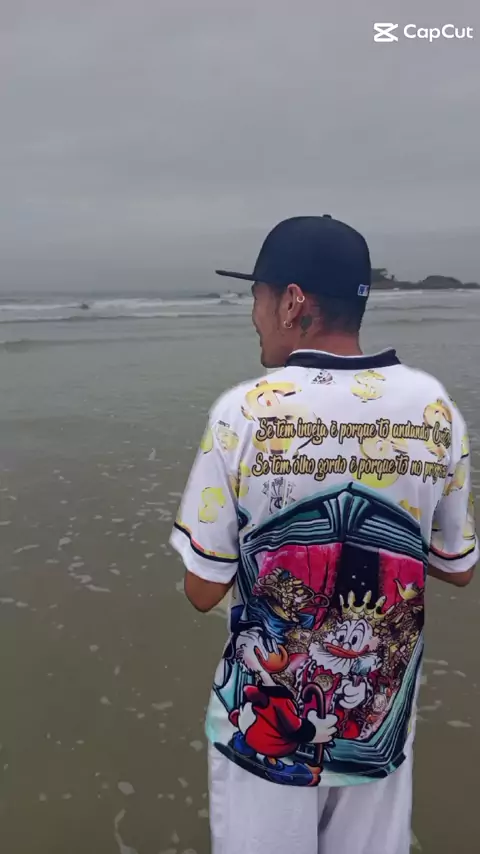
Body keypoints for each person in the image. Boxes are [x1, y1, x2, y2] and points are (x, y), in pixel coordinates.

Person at [169, 216, 477, 854]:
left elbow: (203, 590)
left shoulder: (245, 413)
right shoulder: (433, 408)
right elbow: (458, 565)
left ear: (292, 302)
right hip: (378, 732)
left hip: (262, 740)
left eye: (257, 296)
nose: (253, 314)